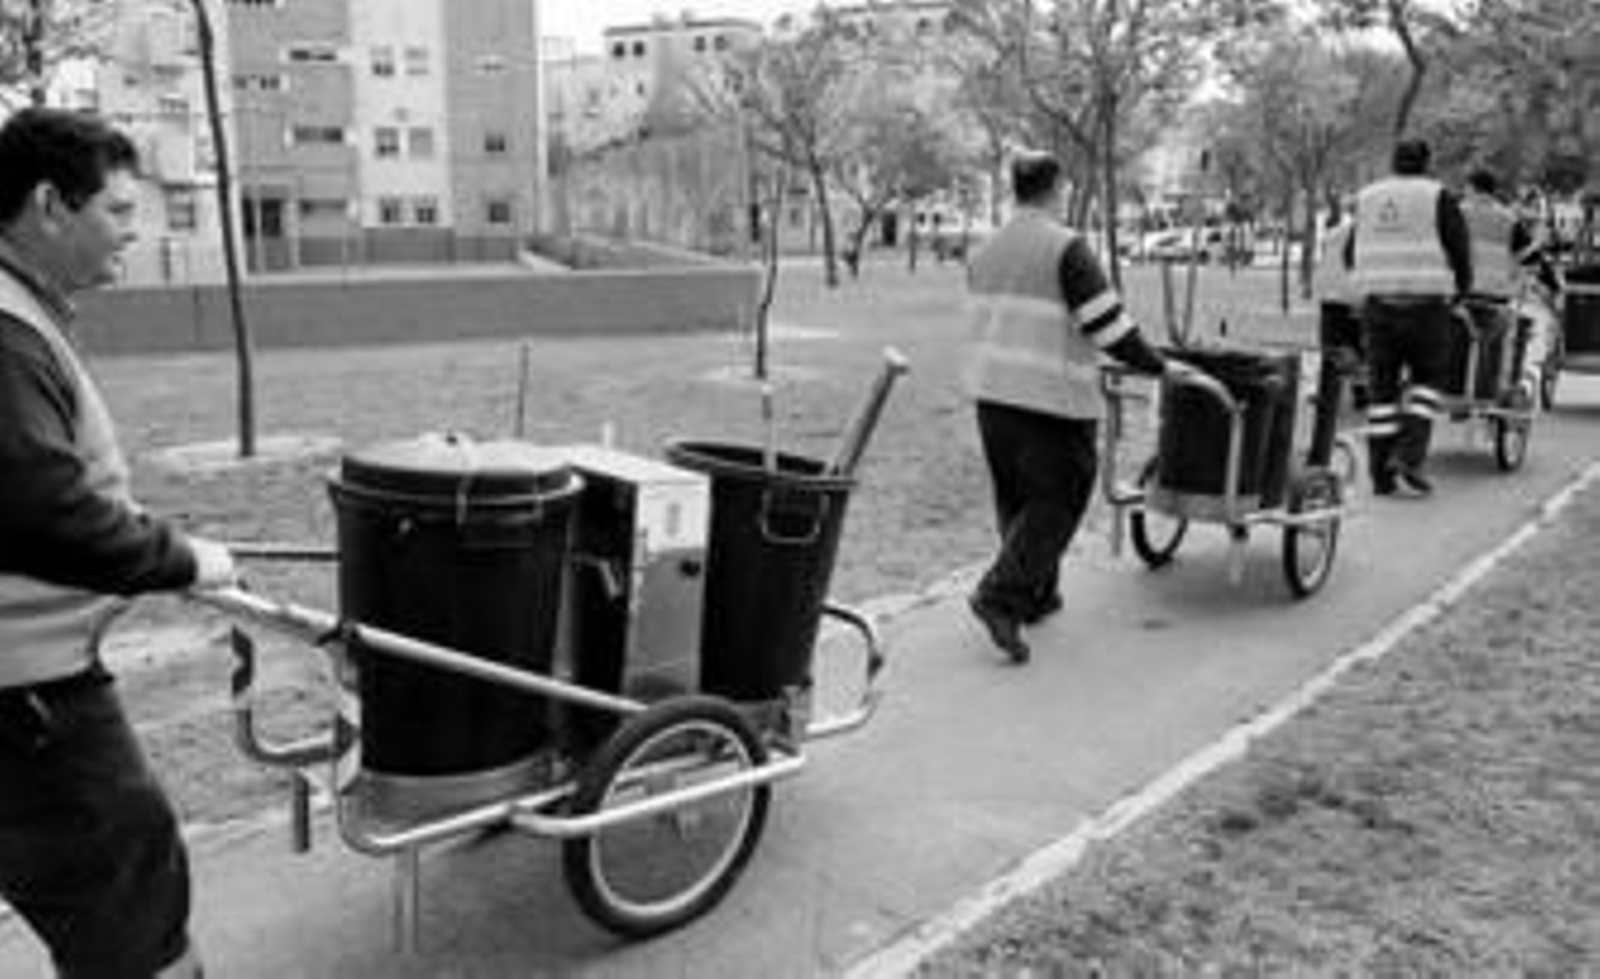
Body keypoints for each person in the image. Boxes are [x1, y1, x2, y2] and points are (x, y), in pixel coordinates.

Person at [0, 108, 236, 978]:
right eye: (121, 210)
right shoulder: (5, 330)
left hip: (31, 678)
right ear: (48, 205)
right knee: (126, 895)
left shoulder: (21, 307)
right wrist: (182, 558)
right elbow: (39, 510)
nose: (134, 233)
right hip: (26, 698)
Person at [962, 151, 1178, 664]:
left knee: (1018, 498)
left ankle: (1037, 594)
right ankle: (1001, 596)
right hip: (1051, 398)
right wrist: (1158, 366)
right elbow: (1108, 326)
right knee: (1059, 497)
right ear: (1057, 187)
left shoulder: (985, 249)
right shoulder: (1066, 248)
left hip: (993, 393)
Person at [1345, 137, 1472, 498]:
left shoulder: (1368, 197)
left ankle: (1380, 476)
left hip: (1379, 308)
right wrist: (1461, 288)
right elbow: (1458, 248)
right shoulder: (1437, 196)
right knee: (1428, 382)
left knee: (1381, 392)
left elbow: (1351, 252)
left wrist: (1371, 283)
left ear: (1393, 162)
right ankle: (1408, 456)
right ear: (1426, 163)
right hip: (1426, 306)